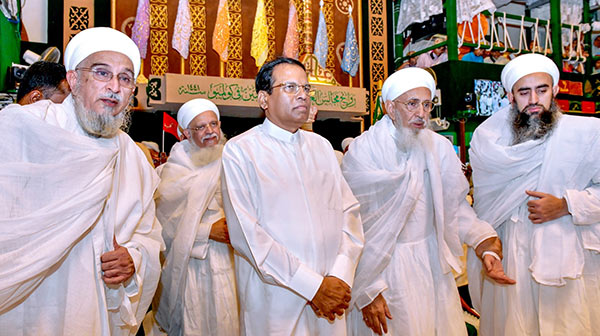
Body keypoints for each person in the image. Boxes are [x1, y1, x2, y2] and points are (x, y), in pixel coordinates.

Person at [0, 27, 163, 335]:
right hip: (27, 307)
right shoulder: (27, 128)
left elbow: (148, 235)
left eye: (125, 78)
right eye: (102, 73)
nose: (114, 87)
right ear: (74, 80)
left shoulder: (134, 158)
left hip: (94, 309)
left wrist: (133, 257)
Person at [342, 67, 513, 336]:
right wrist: (368, 289)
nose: (421, 113)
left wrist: (484, 242)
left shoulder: (438, 147)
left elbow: (455, 207)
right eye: (412, 104)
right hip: (385, 271)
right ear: (390, 107)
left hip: (432, 265)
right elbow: (352, 228)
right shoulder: (365, 152)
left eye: (426, 104)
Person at [221, 57, 364, 335]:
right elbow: (248, 235)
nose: (302, 95)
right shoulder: (241, 151)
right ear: (264, 99)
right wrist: (313, 287)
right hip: (277, 300)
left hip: (331, 297)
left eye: (306, 88)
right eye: (289, 87)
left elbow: (350, 214)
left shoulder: (321, 147)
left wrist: (339, 275)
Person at [469, 53, 600, 335]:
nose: (534, 100)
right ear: (510, 95)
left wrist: (567, 205)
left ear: (555, 89)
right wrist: (488, 249)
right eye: (524, 92)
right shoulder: (488, 141)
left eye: (541, 90)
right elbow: (484, 210)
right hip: (512, 254)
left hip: (569, 256)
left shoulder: (587, 133)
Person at [150, 98, 239, 335]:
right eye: (201, 127)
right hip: (193, 266)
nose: (210, 132)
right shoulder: (173, 172)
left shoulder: (233, 161)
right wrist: (208, 231)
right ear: (186, 133)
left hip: (231, 261)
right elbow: (165, 228)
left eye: (214, 125)